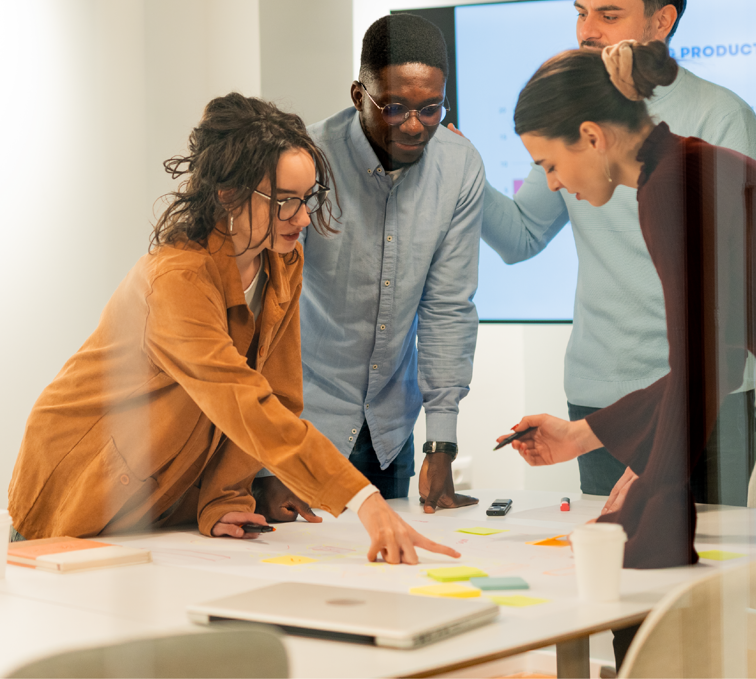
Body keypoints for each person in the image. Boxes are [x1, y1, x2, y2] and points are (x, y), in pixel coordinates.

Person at [502, 41, 756, 676]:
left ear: (590, 137)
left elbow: (704, 360)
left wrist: (649, 501)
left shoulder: (670, 186)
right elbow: (709, 356)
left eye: (549, 164)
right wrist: (592, 436)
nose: (553, 183)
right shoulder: (688, 167)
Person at [7, 93, 460, 566]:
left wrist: (225, 497)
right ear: (228, 193)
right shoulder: (175, 280)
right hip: (79, 485)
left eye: (308, 200)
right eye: (286, 202)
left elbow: (278, 393)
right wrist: (361, 498)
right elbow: (242, 399)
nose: (303, 218)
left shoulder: (281, 259)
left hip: (156, 500)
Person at [477, 0, 756, 505]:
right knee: (611, 567)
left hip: (708, 391)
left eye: (608, 16)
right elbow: (519, 237)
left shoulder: (720, 119)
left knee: (709, 569)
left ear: (662, 22)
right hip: (600, 389)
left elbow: (736, 289)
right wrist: (454, 163)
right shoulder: (572, 115)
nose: (588, 32)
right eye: (581, 13)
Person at [254, 14, 484, 519]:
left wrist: (439, 444)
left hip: (389, 432)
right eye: (395, 106)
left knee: (390, 580)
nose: (414, 124)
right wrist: (267, 463)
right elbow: (265, 308)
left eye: (431, 108)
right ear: (359, 95)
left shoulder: (461, 166)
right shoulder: (307, 160)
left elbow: (446, 307)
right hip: (302, 425)